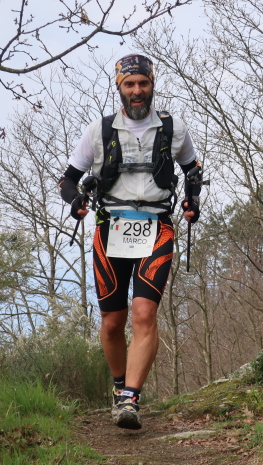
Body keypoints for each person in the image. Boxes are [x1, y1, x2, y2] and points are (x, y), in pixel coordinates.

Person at [57, 54, 202, 430]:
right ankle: (119, 386)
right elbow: (67, 179)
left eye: (143, 83)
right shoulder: (99, 131)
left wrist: (192, 201)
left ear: (152, 84)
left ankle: (130, 399)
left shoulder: (173, 128)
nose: (137, 91)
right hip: (111, 229)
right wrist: (76, 201)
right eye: (130, 84)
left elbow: (193, 170)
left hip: (157, 228)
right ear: (119, 87)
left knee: (144, 314)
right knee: (111, 323)